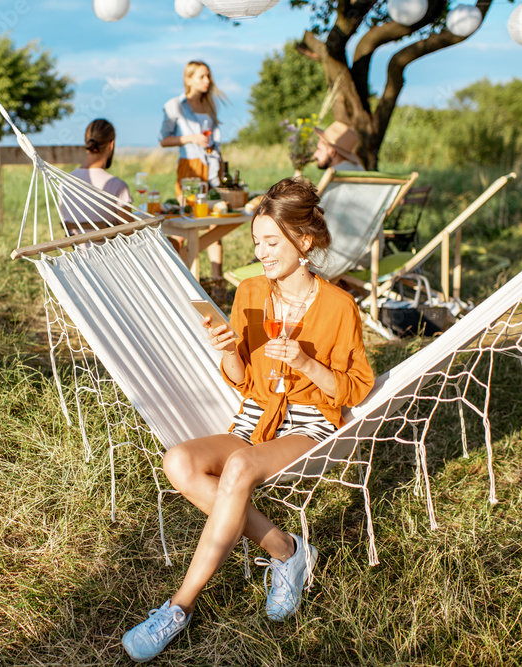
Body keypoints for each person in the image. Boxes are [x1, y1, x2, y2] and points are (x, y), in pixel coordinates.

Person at [121, 177, 375, 663]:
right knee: (179, 462)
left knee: (236, 470)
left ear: (304, 241)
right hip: (257, 418)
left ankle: (178, 607)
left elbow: (355, 388)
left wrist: (305, 363)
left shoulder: (340, 307)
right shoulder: (251, 292)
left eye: (271, 242)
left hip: (307, 426)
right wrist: (228, 352)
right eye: (256, 241)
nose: (261, 252)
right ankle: (287, 551)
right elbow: (243, 380)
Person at [159, 60, 228, 277]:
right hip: (189, 168)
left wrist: (222, 168)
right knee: (187, 223)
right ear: (188, 79)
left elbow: (213, 143)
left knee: (215, 225)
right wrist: (191, 139)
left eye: (208, 76)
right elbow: (164, 140)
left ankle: (216, 281)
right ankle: (178, 277)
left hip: (212, 168)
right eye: (202, 76)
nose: (207, 81)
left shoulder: (208, 106)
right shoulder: (175, 106)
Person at [59, 118, 132, 235]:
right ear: (111, 144)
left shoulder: (65, 183)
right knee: (171, 242)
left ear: (86, 142)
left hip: (79, 252)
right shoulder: (117, 186)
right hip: (112, 252)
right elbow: (129, 234)